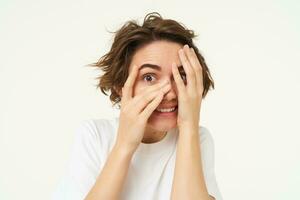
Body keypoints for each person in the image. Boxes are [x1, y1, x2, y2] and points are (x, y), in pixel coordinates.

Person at [52, 12, 222, 200]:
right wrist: (125, 145)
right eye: (149, 77)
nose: (171, 92)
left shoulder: (197, 139)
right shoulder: (95, 136)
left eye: (181, 76)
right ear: (120, 87)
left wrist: (189, 125)